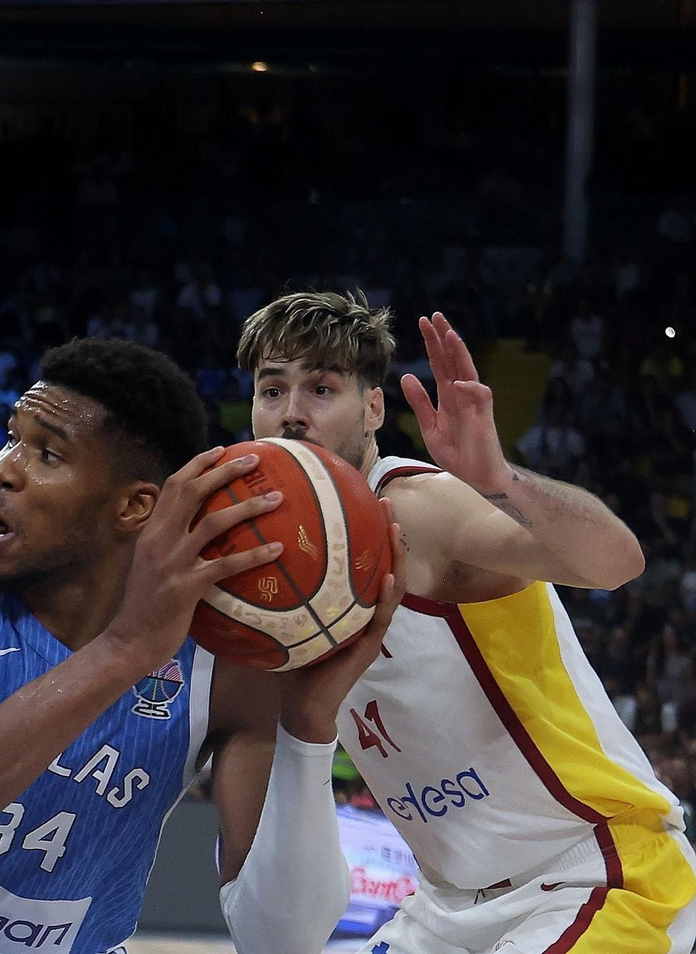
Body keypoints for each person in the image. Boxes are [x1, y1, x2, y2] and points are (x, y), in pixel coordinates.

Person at [0, 338, 406, 954]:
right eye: (14, 439)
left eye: (47, 453)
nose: (2, 469)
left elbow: (282, 941)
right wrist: (120, 654)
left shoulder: (221, 661)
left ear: (133, 507)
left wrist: (309, 729)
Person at [236, 294, 696, 954]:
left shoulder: (419, 510)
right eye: (272, 389)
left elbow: (618, 562)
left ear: (372, 409)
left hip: (594, 875)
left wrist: (500, 480)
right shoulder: (273, 555)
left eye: (321, 388)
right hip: (446, 907)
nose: (290, 414)